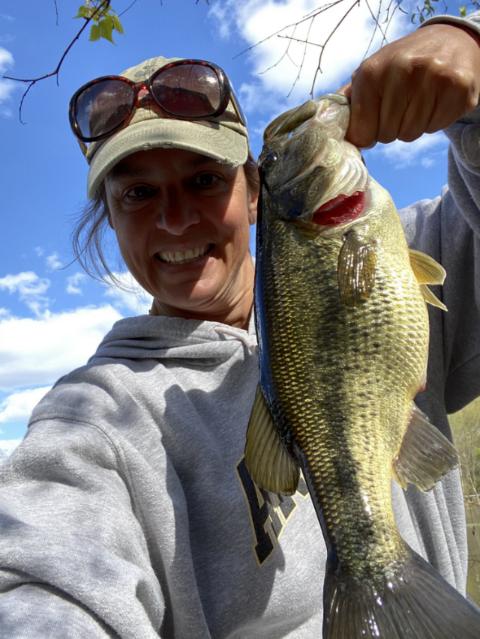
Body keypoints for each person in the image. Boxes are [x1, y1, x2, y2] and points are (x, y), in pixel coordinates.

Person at [0, 11, 480, 639]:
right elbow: (42, 581)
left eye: (204, 181)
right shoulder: (96, 419)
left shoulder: (407, 256)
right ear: (110, 218)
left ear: (254, 192)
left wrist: (470, 47)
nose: (175, 220)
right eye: (138, 194)